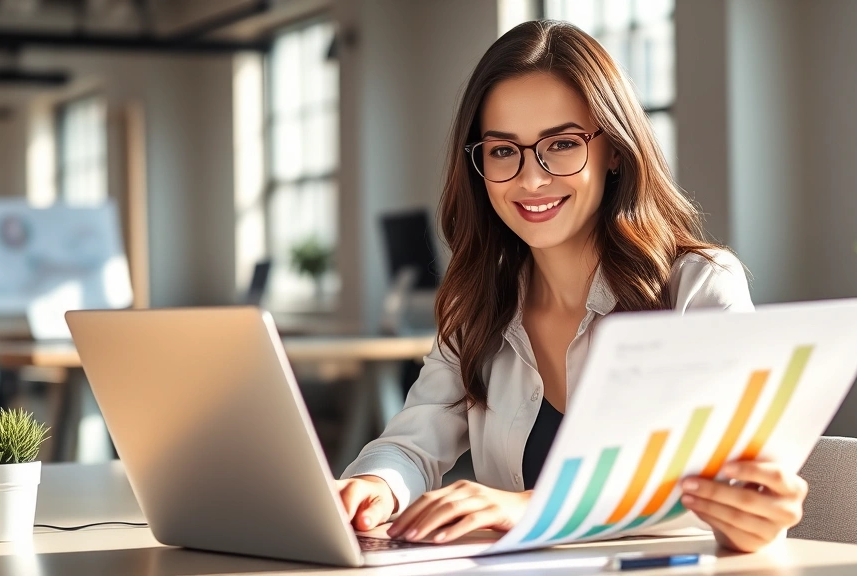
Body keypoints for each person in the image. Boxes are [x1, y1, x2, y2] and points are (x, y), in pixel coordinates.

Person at [336, 20, 807, 553]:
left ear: (614, 150)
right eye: (502, 150)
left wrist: (532, 506)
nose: (531, 179)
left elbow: (709, 486)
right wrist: (376, 486)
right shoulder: (480, 304)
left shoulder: (696, 289)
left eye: (561, 144)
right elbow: (411, 444)